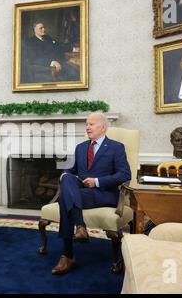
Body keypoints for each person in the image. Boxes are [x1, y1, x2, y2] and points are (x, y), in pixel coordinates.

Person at [52, 112, 131, 275]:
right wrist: (64, 174)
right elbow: (72, 169)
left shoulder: (116, 147)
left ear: (103, 127)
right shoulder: (81, 147)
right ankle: (80, 226)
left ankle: (67, 255)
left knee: (64, 199)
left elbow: (125, 175)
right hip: (82, 193)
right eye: (86, 124)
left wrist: (97, 181)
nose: (87, 127)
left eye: (91, 124)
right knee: (67, 179)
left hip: (104, 194)